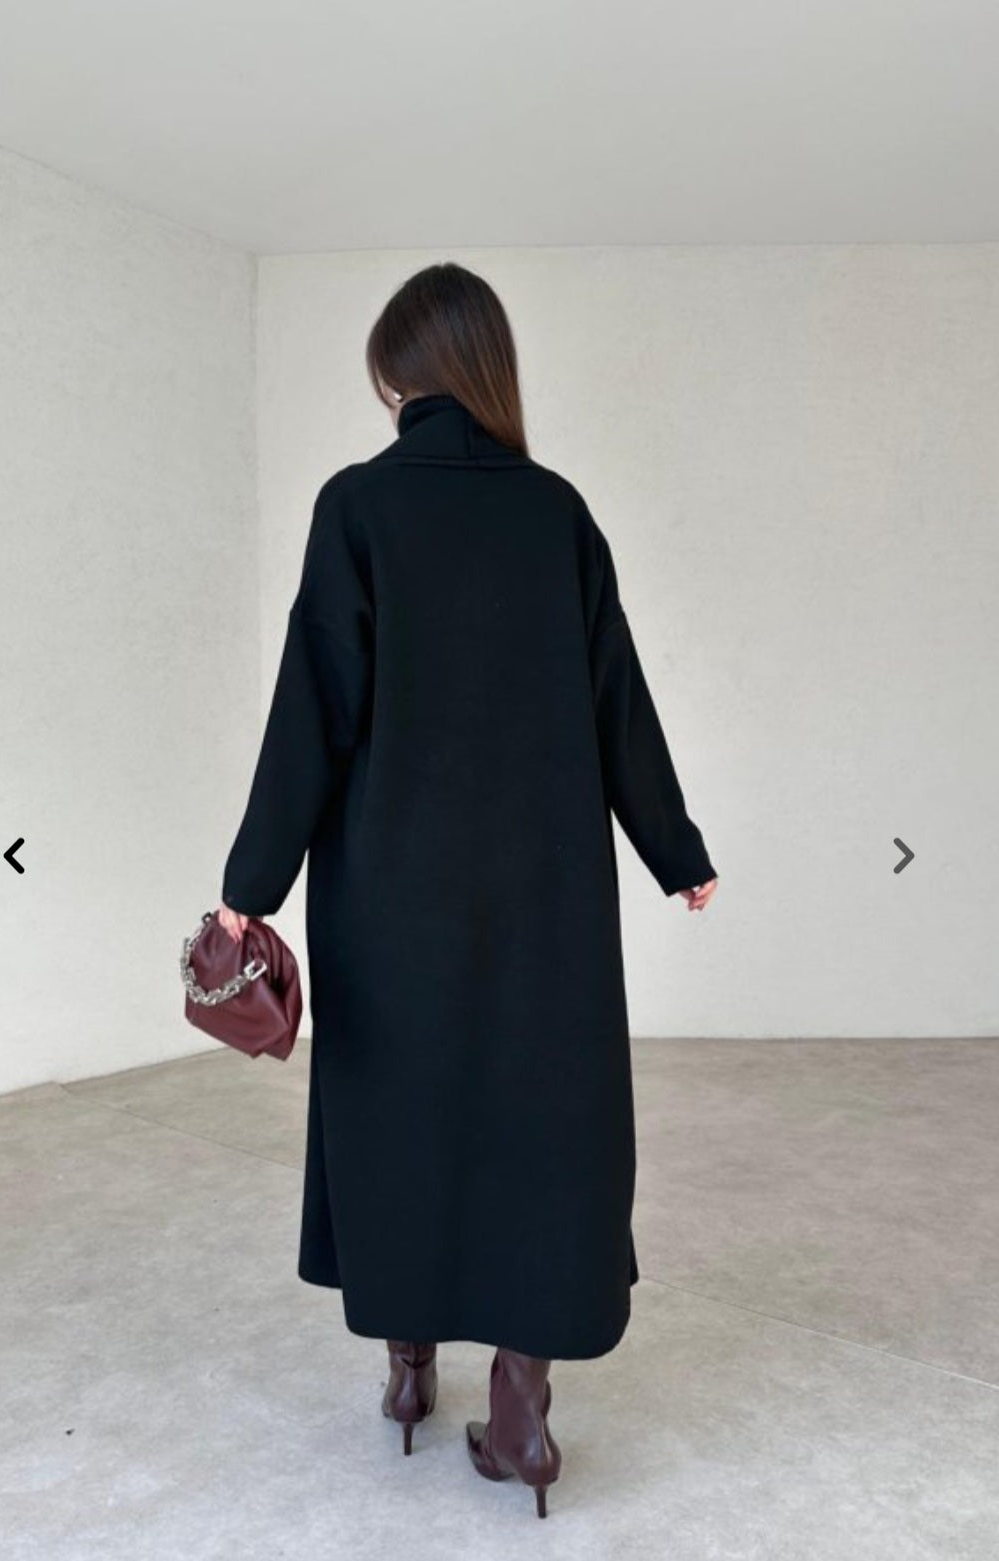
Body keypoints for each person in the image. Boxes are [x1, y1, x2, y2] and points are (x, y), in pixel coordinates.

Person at [217, 261, 719, 1517]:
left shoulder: (358, 507)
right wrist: (678, 852)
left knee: (401, 1112)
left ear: (399, 381)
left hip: (389, 894)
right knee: (543, 1125)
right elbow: (616, 702)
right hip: (547, 896)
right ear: (489, 370)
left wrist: (250, 884)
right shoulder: (557, 514)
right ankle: (523, 1407)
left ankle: (406, 1369)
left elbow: (313, 710)